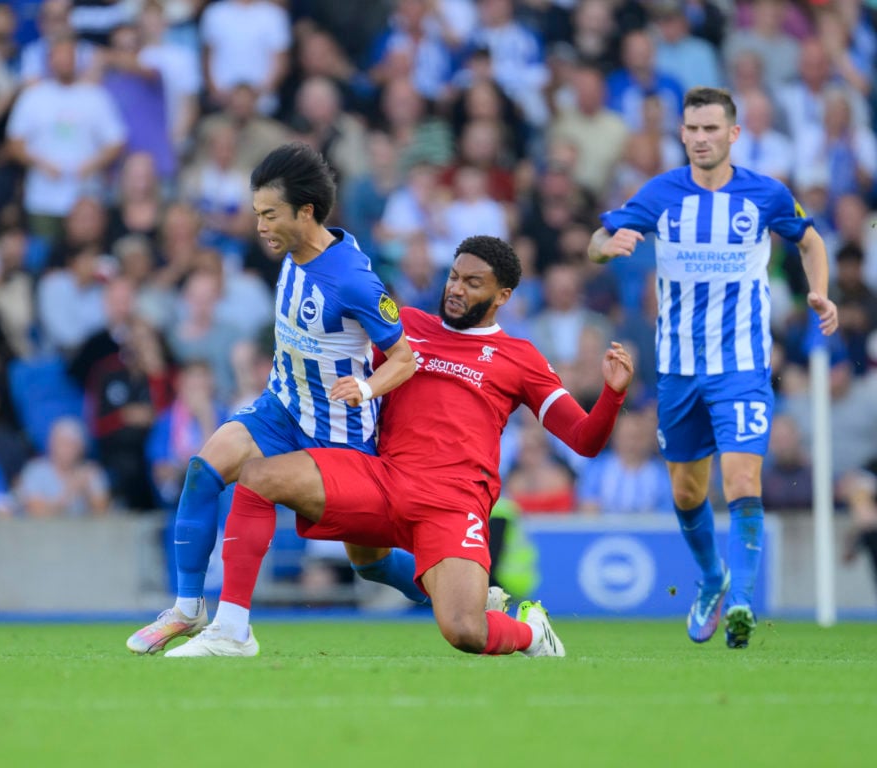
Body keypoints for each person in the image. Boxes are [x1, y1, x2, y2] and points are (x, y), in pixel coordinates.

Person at [162, 235, 633, 658]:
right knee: (261, 478)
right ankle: (232, 629)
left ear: (503, 296)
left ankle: (529, 633)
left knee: (464, 630)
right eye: (454, 276)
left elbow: (584, 441)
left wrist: (612, 394)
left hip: (453, 501)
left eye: (473, 282)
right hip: (383, 477)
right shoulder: (407, 326)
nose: (456, 288)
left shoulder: (519, 357)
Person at [126, 143, 416, 654]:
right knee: (202, 471)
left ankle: (474, 598)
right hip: (281, 409)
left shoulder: (352, 278)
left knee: (371, 563)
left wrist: (367, 388)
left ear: (306, 212)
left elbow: (405, 359)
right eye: (257, 213)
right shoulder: (291, 253)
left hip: (339, 439)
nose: (260, 225)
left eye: (270, 214)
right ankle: (190, 611)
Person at [588, 86, 839, 649]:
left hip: (742, 367)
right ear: (681, 134)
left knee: (743, 480)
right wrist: (610, 245)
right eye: (692, 129)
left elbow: (811, 239)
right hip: (678, 369)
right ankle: (712, 580)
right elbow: (595, 242)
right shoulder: (660, 193)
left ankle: (743, 605)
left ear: (733, 134)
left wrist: (819, 293)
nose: (701, 138)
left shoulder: (765, 194)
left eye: (711, 129)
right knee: (686, 493)